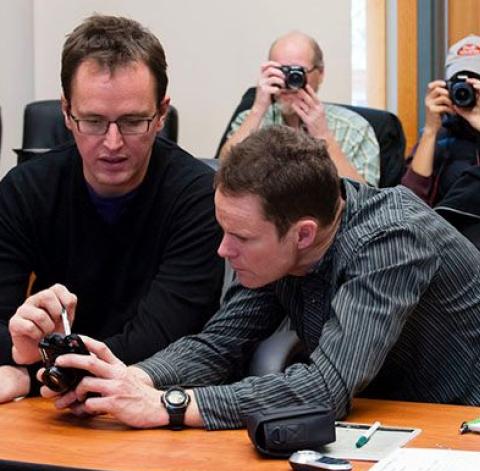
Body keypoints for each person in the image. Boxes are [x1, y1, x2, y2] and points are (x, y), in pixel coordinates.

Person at [36, 125, 480, 430]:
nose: (224, 251)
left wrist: (170, 406)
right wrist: (128, 381)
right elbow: (217, 346)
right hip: (385, 426)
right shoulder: (284, 249)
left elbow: (325, 388)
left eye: (241, 237)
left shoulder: (393, 240)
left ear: (303, 233)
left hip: (458, 432)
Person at [0, 15, 224, 403]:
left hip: (151, 402)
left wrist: (33, 369)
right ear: (67, 113)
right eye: (93, 121)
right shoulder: (24, 191)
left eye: (133, 121)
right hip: (47, 412)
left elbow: (159, 343)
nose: (113, 142)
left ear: (162, 114)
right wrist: (22, 346)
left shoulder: (199, 198)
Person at [218, 31, 380, 186]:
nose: (289, 82)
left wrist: (323, 134)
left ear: (320, 73)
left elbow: (366, 200)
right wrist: (258, 109)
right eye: (281, 72)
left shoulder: (354, 128)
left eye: (297, 72)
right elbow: (221, 174)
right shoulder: (253, 119)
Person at [401, 34, 480, 248]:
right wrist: (430, 130)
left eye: (474, 83)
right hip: (442, 249)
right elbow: (407, 208)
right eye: (459, 83)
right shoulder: (441, 136)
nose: (466, 92)